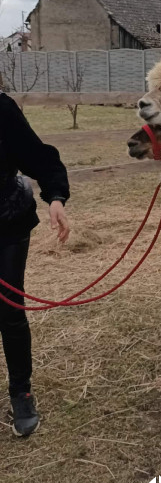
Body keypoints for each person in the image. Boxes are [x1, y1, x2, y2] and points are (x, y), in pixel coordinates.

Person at [0, 89, 70, 437]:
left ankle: (21, 392)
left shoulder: (2, 109)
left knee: (9, 310)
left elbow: (36, 155)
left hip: (7, 222)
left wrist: (56, 196)